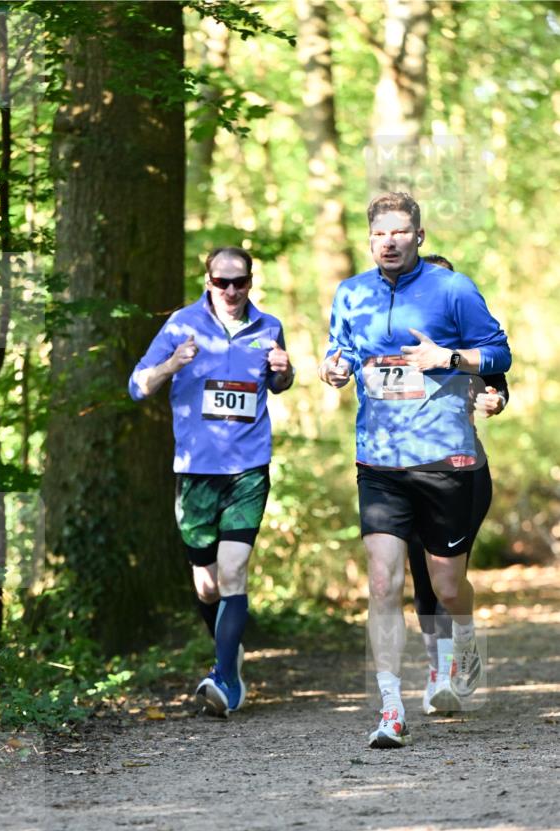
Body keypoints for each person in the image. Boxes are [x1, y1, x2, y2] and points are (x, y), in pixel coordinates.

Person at [318, 192, 512, 749]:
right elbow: (344, 351)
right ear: (370, 238)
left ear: (419, 236)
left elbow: (498, 355)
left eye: (401, 232)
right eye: (381, 234)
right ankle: (391, 708)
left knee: (448, 586)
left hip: (444, 460)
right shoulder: (350, 292)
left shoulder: (453, 289)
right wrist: (334, 367)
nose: (391, 241)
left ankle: (466, 636)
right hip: (378, 461)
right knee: (382, 582)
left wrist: (448, 358)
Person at [129, 247, 294, 717]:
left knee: (234, 571)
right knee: (206, 586)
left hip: (248, 468)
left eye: (238, 282)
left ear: (250, 282)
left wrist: (284, 372)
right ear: (207, 281)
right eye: (221, 282)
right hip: (195, 470)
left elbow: (279, 383)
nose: (230, 291)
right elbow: (137, 385)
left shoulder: (269, 326)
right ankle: (229, 653)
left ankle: (225, 678)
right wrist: (172, 365)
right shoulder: (181, 325)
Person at [411, 255, 509, 714]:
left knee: (448, 580)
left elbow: (498, 385)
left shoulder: (470, 342)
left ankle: (463, 645)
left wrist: (494, 400)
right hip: (400, 472)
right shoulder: (392, 338)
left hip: (462, 471)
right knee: (422, 578)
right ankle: (439, 673)